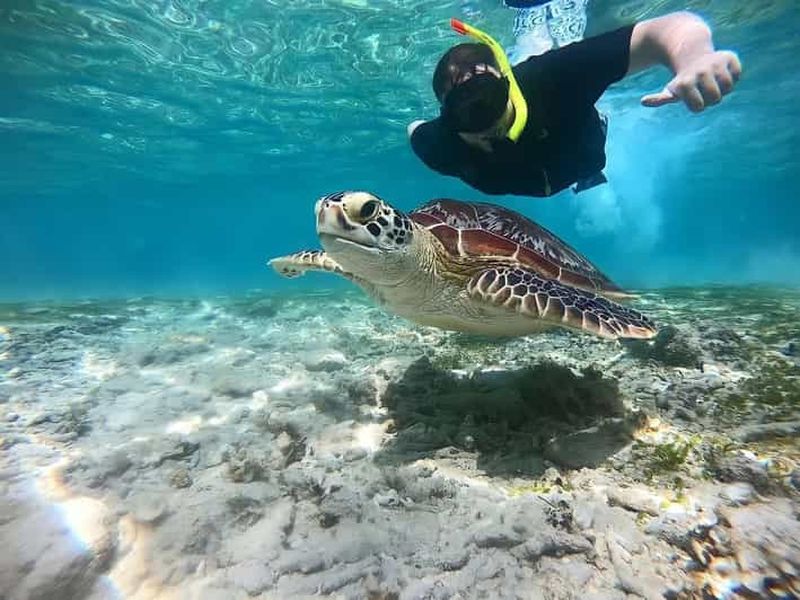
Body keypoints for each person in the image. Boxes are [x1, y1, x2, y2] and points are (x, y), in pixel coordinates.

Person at [407, 10, 742, 198]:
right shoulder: (440, 144)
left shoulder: (554, 77)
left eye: (488, 99)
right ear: (446, 118)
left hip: (581, 151)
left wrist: (694, 57)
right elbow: (413, 130)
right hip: (541, 174)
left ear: (507, 85)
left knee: (585, 143)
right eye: (463, 112)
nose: (483, 122)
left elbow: (670, 27)